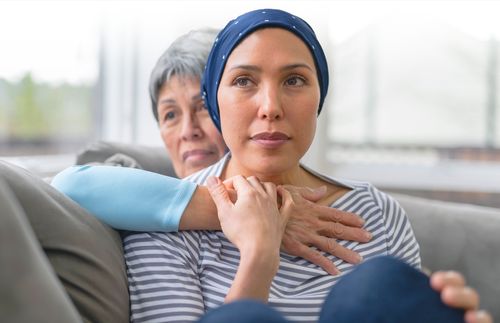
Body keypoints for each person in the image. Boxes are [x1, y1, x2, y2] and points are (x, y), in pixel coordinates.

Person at [109, 8, 492, 323]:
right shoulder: (166, 220)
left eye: (294, 80)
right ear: (215, 102)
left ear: (318, 99)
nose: (271, 107)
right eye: (244, 81)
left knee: (381, 285)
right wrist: (260, 255)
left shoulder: (377, 212)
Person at [54, 27, 372, 275]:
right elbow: (68, 186)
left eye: (203, 107)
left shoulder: (356, 208)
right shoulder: (143, 206)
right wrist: (261, 210)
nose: (187, 129)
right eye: (170, 115)